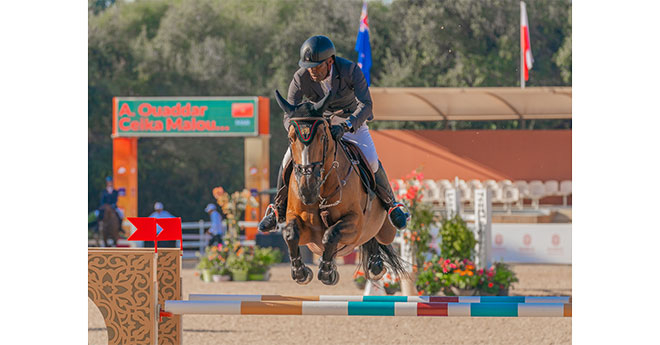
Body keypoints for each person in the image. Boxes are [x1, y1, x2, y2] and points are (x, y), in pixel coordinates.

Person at [258, 35, 408, 232]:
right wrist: (297, 133)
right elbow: (290, 114)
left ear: (330, 61)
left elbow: (366, 105)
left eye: (317, 66)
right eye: (308, 66)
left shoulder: (350, 70)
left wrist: (346, 126)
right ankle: (276, 209)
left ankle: (391, 204)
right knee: (288, 159)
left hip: (351, 121)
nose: (312, 71)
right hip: (318, 126)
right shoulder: (300, 77)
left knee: (371, 159)